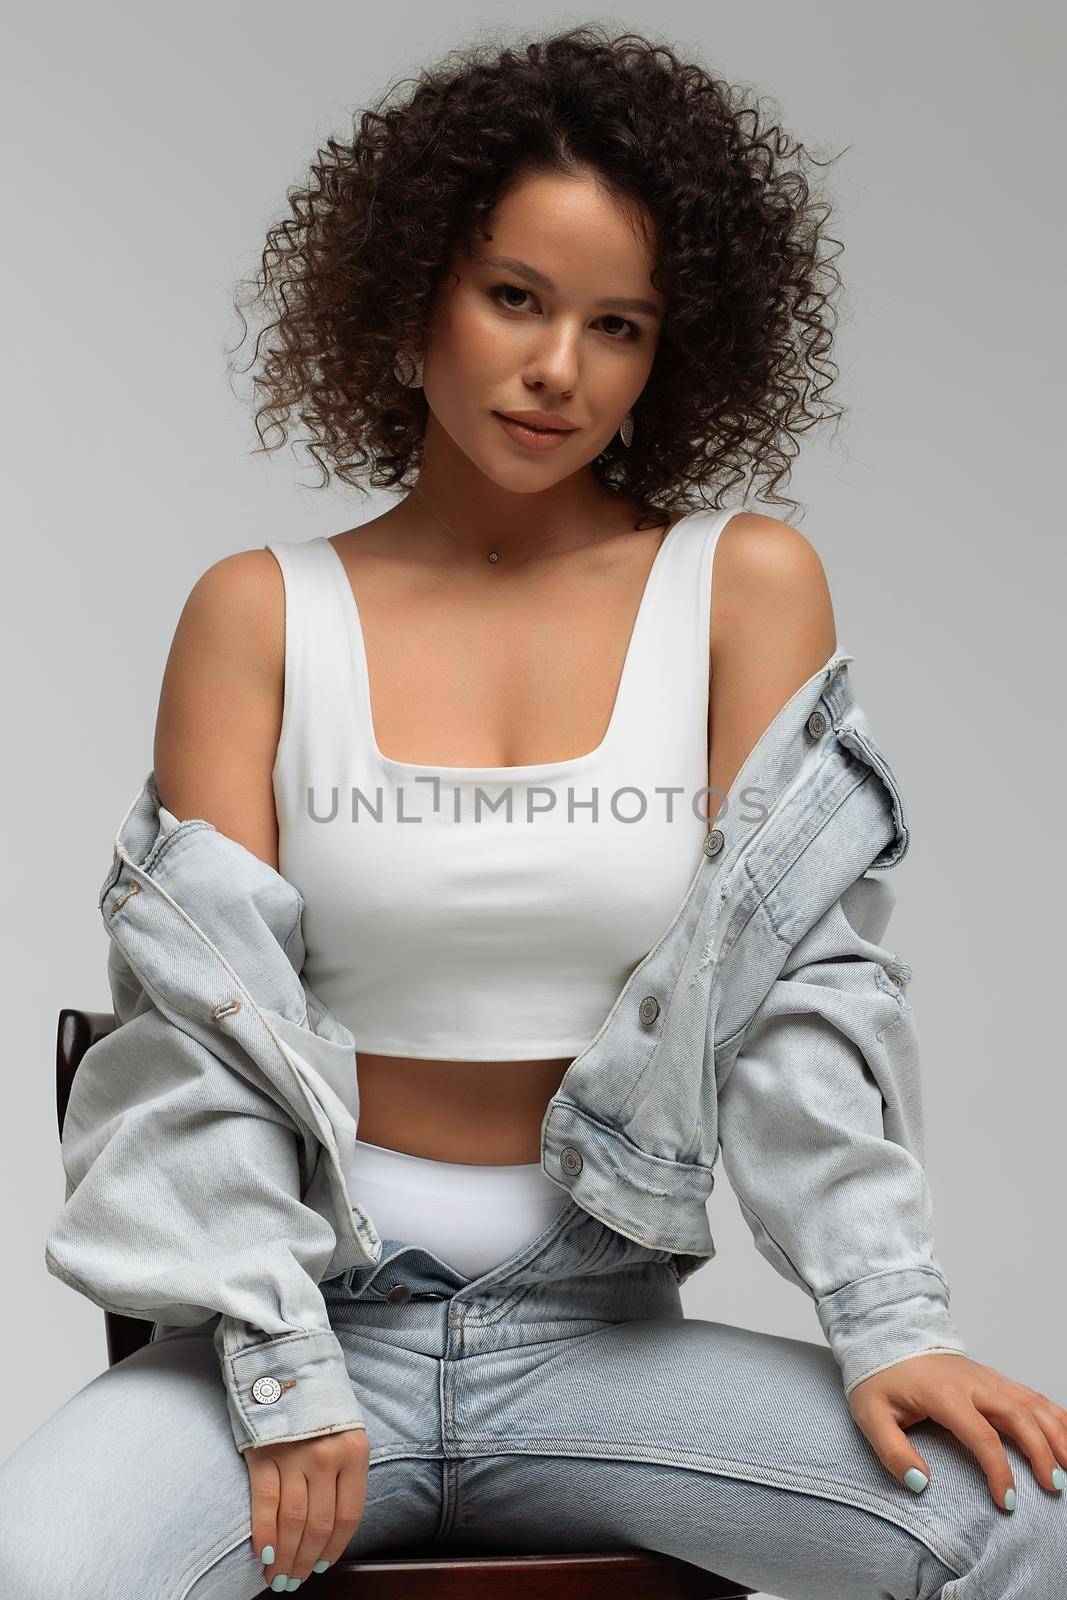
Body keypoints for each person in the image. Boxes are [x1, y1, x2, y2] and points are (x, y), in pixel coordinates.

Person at [5, 25, 1065, 1599]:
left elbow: (796, 997)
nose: (559, 367)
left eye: (617, 325)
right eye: (516, 297)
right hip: (300, 1330)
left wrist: (890, 1321)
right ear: (412, 290)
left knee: (1024, 1523)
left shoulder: (740, 588)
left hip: (600, 1344)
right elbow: (199, 1038)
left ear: (670, 354)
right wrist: (285, 1371)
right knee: (44, 1568)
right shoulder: (258, 615)